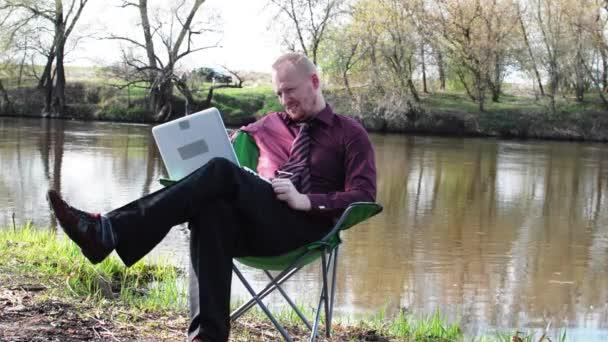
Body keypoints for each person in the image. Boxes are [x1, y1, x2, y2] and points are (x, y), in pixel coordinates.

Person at [47, 52, 376, 342]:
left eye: (289, 90)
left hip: (307, 230)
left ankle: (107, 232)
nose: (284, 100)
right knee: (212, 208)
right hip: (258, 223)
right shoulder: (269, 124)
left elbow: (363, 195)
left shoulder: (350, 134)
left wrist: (306, 200)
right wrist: (222, 144)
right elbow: (235, 141)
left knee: (219, 171)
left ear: (314, 81)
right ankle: (206, 337)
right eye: (278, 93)